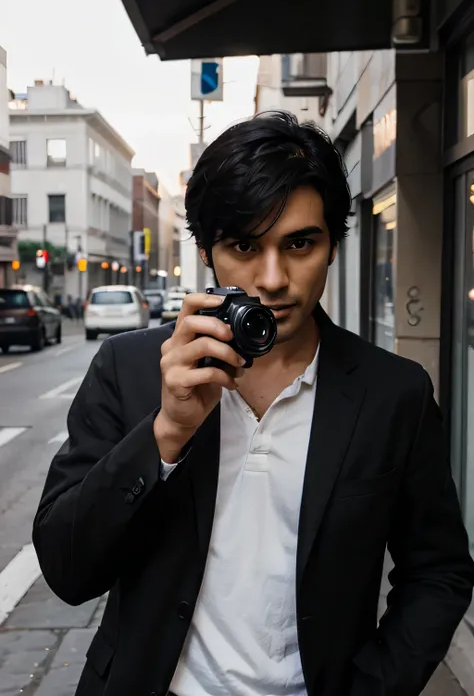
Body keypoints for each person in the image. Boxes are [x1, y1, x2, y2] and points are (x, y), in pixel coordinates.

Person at [33, 111, 474, 696]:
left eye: (299, 243)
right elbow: (68, 569)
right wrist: (166, 431)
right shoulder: (130, 369)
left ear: (333, 246)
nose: (273, 278)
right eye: (244, 245)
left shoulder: (393, 392)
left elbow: (438, 570)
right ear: (207, 251)